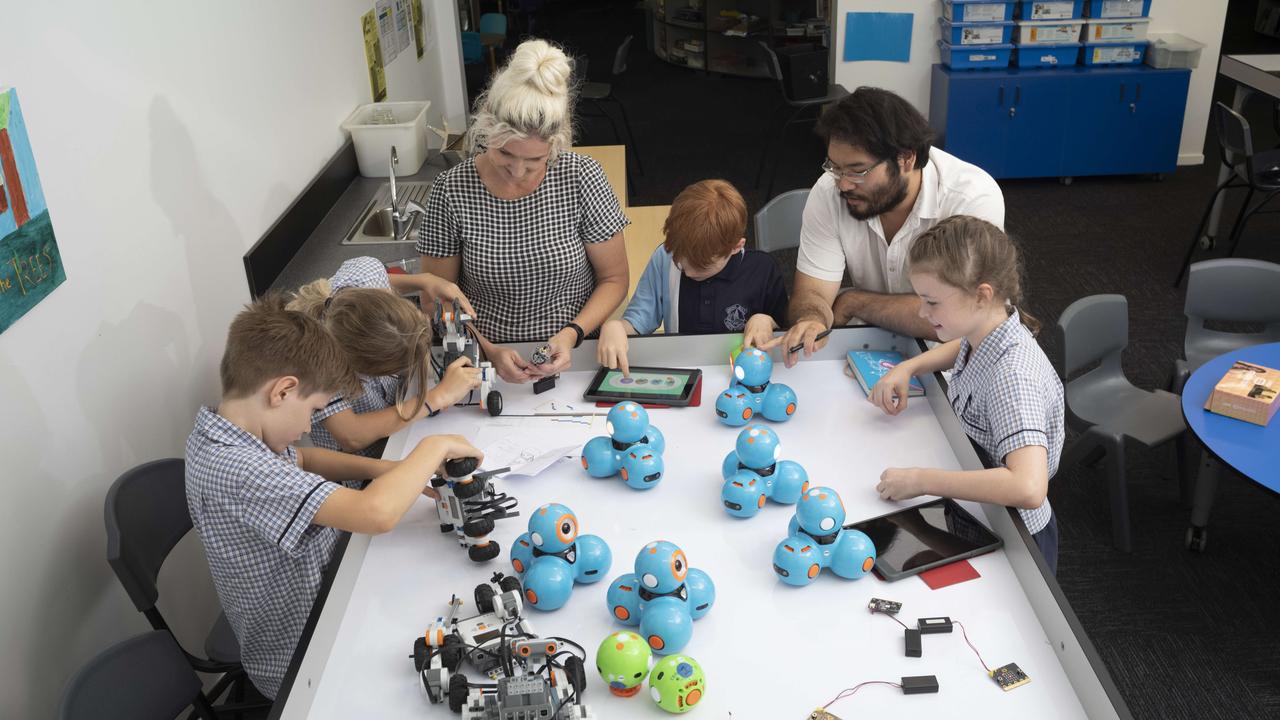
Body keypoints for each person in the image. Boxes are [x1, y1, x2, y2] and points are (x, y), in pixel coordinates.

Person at [185, 296, 482, 698]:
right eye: (313, 410)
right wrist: (432, 447)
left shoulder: (228, 431)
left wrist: (387, 469)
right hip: (304, 653)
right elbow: (375, 513)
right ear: (284, 391)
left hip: (331, 584)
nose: (310, 424)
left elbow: (303, 457)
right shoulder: (237, 469)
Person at [417, 39, 630, 383]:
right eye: (505, 155)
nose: (517, 172)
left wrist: (572, 334)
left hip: (575, 356)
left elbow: (614, 279)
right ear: (486, 131)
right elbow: (436, 301)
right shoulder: (451, 190)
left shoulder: (582, 177)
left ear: (557, 144)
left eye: (534, 161)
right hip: (481, 361)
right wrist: (488, 349)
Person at [867, 216, 1063, 573]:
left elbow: (1028, 486)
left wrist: (920, 481)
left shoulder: (1013, 379)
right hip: (982, 512)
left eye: (932, 302)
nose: (923, 313)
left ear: (981, 295)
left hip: (1017, 539)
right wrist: (909, 368)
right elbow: (965, 345)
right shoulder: (990, 327)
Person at [781, 87, 1005, 366]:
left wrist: (854, 302)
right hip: (867, 343)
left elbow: (962, 317)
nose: (843, 183)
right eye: (835, 167)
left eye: (857, 171)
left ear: (906, 159)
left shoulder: (972, 198)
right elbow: (812, 292)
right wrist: (812, 318)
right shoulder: (830, 190)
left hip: (950, 359)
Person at [286, 256, 482, 456]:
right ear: (367, 370)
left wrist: (425, 281)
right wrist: (437, 397)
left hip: (401, 414)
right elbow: (351, 435)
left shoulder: (365, 274)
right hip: (368, 459)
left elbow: (383, 278)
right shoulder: (317, 365)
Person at [596, 179, 788, 374]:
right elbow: (639, 320)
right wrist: (617, 327)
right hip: (683, 371)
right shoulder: (664, 258)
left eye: (700, 266)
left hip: (745, 374)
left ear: (736, 247)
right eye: (680, 262)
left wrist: (766, 320)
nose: (687, 272)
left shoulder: (763, 270)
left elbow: (787, 327)